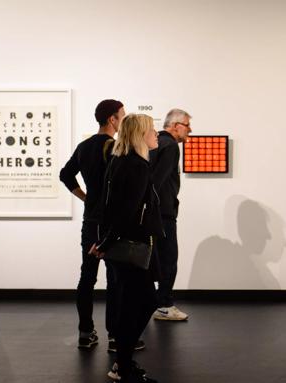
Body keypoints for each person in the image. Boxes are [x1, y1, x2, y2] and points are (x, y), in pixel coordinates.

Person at [90, 113, 161, 383]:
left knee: (130, 303)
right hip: (129, 246)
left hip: (120, 246)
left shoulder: (119, 162)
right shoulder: (137, 166)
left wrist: (103, 241)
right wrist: (105, 243)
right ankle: (123, 364)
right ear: (140, 135)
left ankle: (122, 363)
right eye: (152, 130)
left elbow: (106, 207)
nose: (156, 134)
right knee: (144, 302)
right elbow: (125, 212)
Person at [59, 99, 127, 349]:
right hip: (110, 222)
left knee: (87, 277)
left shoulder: (84, 146)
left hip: (91, 220)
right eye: (122, 115)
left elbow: (65, 174)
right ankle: (114, 336)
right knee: (115, 278)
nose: (123, 119)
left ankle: (85, 332)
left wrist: (86, 198)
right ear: (112, 119)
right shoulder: (115, 147)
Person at [150, 108, 191, 321]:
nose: (190, 130)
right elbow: (156, 181)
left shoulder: (157, 142)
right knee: (168, 259)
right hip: (162, 213)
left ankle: (153, 303)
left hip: (155, 212)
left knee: (153, 260)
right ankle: (164, 305)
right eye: (187, 125)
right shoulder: (171, 146)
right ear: (175, 126)